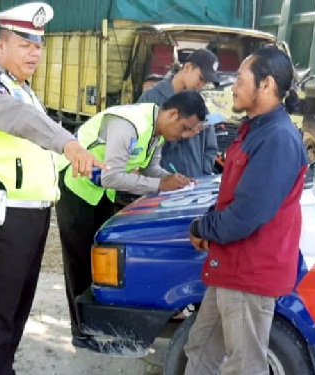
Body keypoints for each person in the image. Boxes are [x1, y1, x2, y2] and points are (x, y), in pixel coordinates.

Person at [0, 3, 104, 374]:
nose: (34, 53)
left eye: (38, 45)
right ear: (1, 47)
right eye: (24, 44)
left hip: (31, 218)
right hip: (1, 221)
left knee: (16, 312)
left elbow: (35, 148)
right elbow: (24, 123)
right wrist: (69, 145)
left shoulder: (25, 92)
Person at [184, 46, 308, 375]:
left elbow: (246, 216)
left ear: (266, 84)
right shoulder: (257, 129)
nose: (233, 86)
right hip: (231, 267)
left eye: (240, 78)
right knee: (200, 349)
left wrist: (202, 228)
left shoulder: (277, 138)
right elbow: (234, 195)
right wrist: (208, 223)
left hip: (247, 274)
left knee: (243, 366)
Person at [56, 90, 208, 350]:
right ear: (171, 113)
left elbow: (151, 169)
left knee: (102, 260)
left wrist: (175, 182)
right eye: (184, 128)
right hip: (77, 188)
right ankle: (80, 331)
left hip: (101, 192)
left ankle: (99, 324)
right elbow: (111, 176)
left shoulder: (156, 132)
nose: (183, 136)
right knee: (79, 261)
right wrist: (160, 184)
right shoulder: (128, 124)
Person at [137, 49, 219, 178]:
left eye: (205, 82)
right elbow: (140, 149)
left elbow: (210, 147)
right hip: (160, 187)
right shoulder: (151, 99)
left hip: (192, 187)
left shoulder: (198, 104)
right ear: (187, 67)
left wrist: (202, 174)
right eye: (201, 78)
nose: (201, 85)